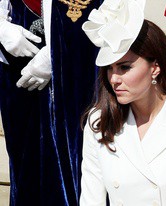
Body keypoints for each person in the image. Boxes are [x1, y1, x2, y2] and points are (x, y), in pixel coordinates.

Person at [80, 1, 166, 205]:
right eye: (109, 68)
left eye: (124, 67)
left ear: (155, 67)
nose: (114, 78)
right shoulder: (100, 123)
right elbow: (91, 200)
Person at [0, 0, 101, 205]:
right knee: (25, 166)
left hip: (75, 68)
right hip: (15, 63)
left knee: (73, 163)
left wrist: (57, 51)